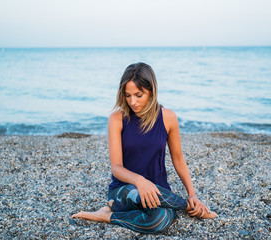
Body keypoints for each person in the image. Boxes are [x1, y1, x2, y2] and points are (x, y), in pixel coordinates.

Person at [72, 62, 217, 233]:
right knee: (139, 194)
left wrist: (192, 193)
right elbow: (116, 168)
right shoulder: (117, 119)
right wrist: (140, 181)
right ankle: (187, 207)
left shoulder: (168, 118)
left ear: (151, 91)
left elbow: (178, 159)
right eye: (127, 95)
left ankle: (106, 216)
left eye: (139, 95)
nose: (132, 102)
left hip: (159, 193)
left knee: (159, 221)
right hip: (125, 192)